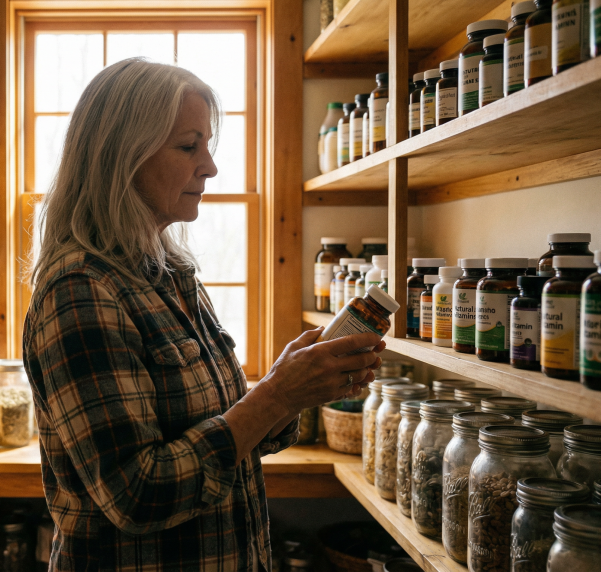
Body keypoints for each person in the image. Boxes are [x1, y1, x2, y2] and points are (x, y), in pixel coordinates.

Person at [23, 59, 385, 571]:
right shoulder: (81, 291)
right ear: (122, 157)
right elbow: (136, 494)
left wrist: (298, 381)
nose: (210, 166)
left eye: (206, 144)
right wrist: (278, 393)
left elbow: (232, 427)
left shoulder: (170, 274)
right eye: (189, 146)